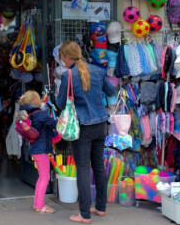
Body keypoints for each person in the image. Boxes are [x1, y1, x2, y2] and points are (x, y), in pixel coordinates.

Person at [56, 41, 116, 224]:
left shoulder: (69, 75)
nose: (62, 61)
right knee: (98, 165)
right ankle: (100, 207)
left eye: (61, 58)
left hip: (81, 128)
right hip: (100, 124)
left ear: (67, 57)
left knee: (82, 168)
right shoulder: (98, 71)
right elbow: (111, 90)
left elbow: (60, 104)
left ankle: (84, 214)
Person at [19, 90, 57, 214]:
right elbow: (53, 123)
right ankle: (40, 206)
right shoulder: (39, 114)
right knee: (45, 177)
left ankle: (37, 204)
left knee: (41, 177)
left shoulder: (30, 114)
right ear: (36, 102)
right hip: (41, 150)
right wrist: (63, 120)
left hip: (36, 149)